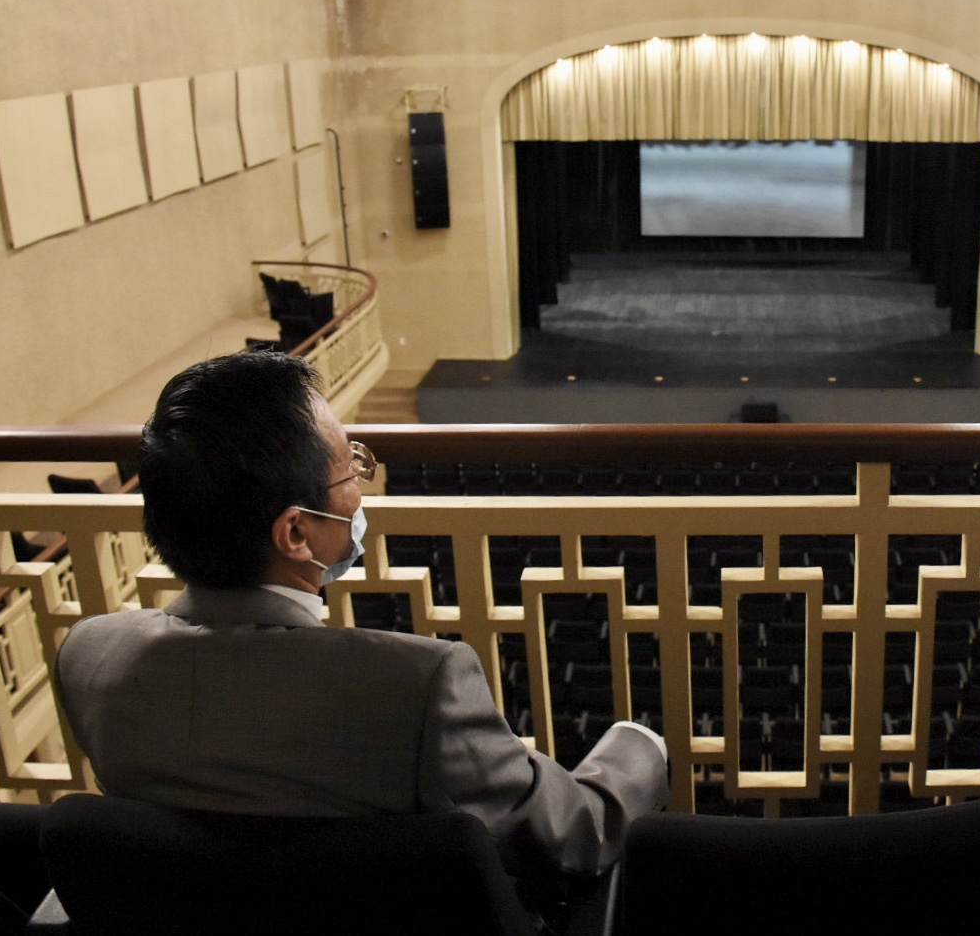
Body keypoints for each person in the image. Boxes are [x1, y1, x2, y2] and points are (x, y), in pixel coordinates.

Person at [54, 352, 668, 897]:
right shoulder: (418, 686)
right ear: (296, 533)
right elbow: (573, 838)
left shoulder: (88, 656)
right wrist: (638, 747)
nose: (360, 485)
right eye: (349, 467)